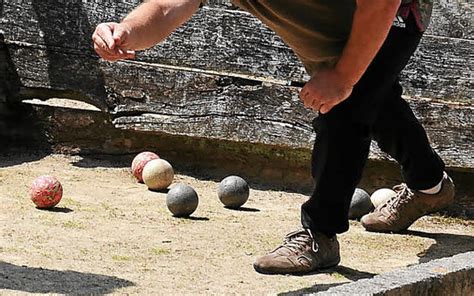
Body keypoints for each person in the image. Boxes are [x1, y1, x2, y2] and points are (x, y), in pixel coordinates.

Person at [92, 0, 455, 275]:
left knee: (346, 108)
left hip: (391, 16)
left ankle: (320, 235)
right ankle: (431, 186)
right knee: (379, 103)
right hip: (332, 39)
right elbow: (169, 5)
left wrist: (344, 75)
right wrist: (125, 32)